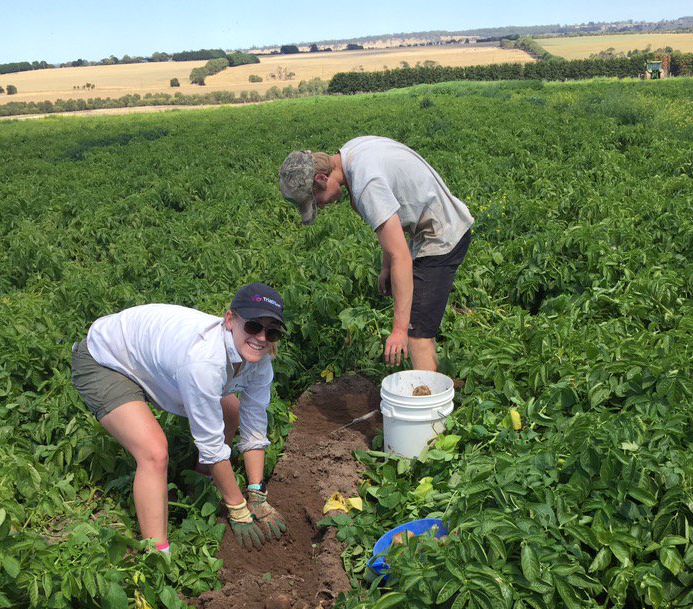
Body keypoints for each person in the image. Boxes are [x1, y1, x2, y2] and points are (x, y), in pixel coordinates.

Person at [71, 284, 288, 556]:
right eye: (253, 326)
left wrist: (256, 493)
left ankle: (199, 483)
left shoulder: (259, 361)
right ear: (230, 320)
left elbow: (254, 424)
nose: (261, 338)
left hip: (148, 359)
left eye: (272, 332)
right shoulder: (203, 361)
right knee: (154, 452)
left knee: (230, 413)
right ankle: (157, 556)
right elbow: (212, 446)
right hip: (104, 360)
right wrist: (237, 508)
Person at [279, 137, 473, 373]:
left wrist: (399, 330)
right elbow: (393, 219)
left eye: (315, 200)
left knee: (416, 335)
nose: (319, 206)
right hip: (431, 227)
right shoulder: (350, 153)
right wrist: (386, 267)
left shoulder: (366, 183)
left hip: (441, 237)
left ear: (322, 179)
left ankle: (429, 395)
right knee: (417, 320)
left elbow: (401, 255)